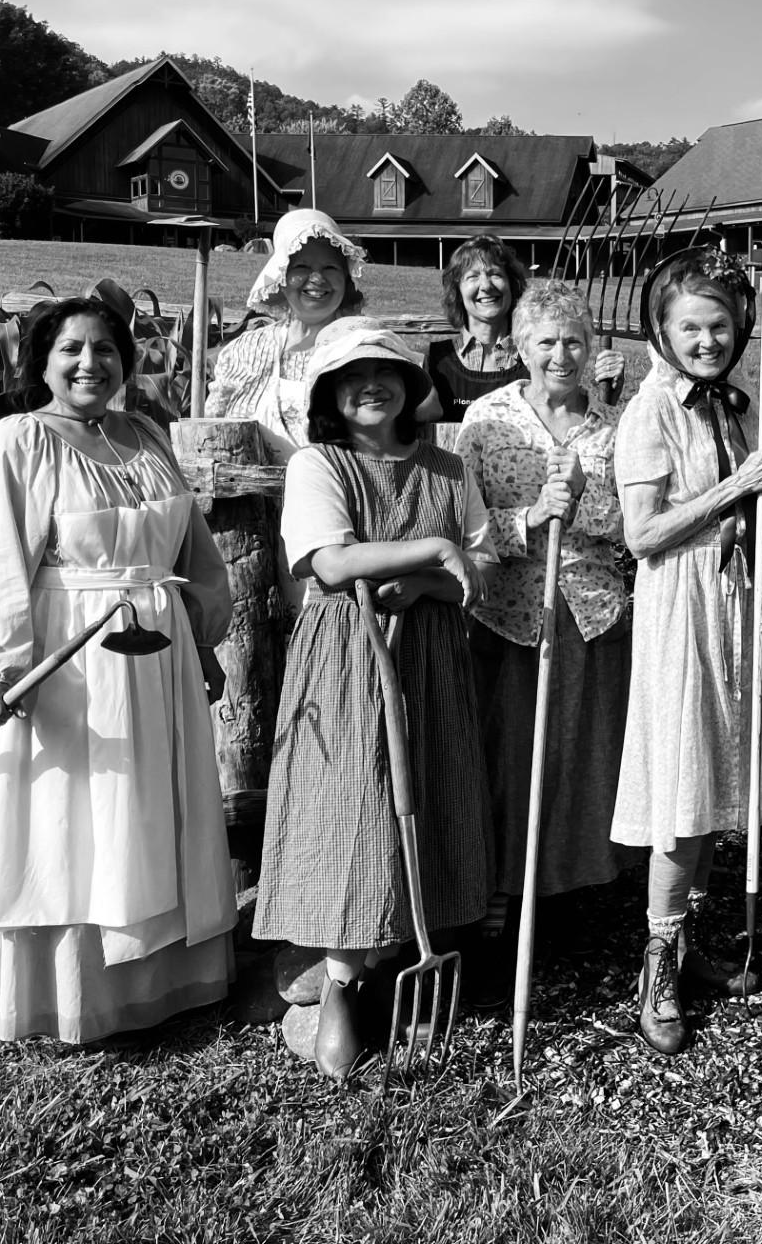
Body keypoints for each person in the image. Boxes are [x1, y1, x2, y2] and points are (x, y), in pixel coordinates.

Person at [0, 297, 236, 1042]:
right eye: (71, 349)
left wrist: (200, 640)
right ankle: (69, 996)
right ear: (42, 361)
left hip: (153, 658)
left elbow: (189, 551)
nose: (89, 364)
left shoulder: (145, 438)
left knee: (144, 808)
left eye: (105, 350)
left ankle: (156, 985)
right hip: (66, 666)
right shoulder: (20, 441)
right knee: (76, 819)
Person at [252, 318, 498, 1077]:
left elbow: (480, 564)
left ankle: (411, 949)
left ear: (410, 387)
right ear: (329, 391)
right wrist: (433, 549)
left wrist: (427, 578)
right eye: (351, 375)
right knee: (353, 807)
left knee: (428, 792)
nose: (370, 385)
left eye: (385, 373)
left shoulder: (448, 468)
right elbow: (328, 561)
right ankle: (340, 981)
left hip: (427, 652)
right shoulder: (319, 465)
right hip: (347, 654)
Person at [610, 245, 762, 1055]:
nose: (706, 340)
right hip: (681, 605)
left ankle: (690, 945)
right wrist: (732, 489)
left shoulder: (736, 407)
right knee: (684, 786)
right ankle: (654, 962)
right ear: (664, 328)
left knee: (724, 774)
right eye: (690, 327)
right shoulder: (650, 410)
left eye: (720, 325)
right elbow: (642, 533)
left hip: (737, 603)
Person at [455, 282, 633, 994]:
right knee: (508, 751)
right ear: (520, 347)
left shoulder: (613, 430)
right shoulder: (487, 419)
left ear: (592, 349)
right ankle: (502, 882)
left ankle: (570, 881)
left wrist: (584, 502)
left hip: (590, 609)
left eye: (574, 342)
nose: (561, 355)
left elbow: (632, 529)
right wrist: (530, 516)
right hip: (507, 611)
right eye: (545, 342)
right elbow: (462, 527)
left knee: (578, 751)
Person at [209, 208, 367, 462]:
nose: (317, 279)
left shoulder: (364, 345)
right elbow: (212, 430)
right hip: (250, 498)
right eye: (302, 267)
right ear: (282, 275)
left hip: (341, 498)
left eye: (330, 268)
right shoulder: (244, 351)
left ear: (346, 279)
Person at [425, 234, 624, 421]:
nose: (485, 285)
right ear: (457, 290)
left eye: (495, 274)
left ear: (512, 285)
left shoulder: (539, 356)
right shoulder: (436, 361)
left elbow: (568, 418)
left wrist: (607, 398)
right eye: (473, 277)